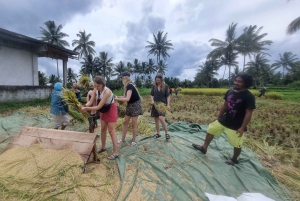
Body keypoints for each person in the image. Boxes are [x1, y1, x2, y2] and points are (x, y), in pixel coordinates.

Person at [192, 74, 256, 166]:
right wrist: (218, 117)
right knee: (211, 129)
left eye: (239, 81)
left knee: (237, 143)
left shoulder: (249, 96)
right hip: (224, 119)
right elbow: (225, 105)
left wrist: (242, 127)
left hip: (237, 124)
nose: (236, 83)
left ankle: (234, 159)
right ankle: (204, 148)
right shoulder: (230, 91)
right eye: (236, 81)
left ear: (246, 83)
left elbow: (249, 113)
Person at [81, 76, 119, 160]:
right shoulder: (96, 89)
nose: (96, 87)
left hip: (110, 109)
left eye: (98, 86)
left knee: (111, 131)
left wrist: (86, 109)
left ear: (102, 85)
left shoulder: (107, 92)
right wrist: (84, 106)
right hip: (103, 110)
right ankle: (103, 147)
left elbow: (98, 107)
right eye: (95, 85)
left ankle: (115, 152)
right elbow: (90, 101)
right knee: (103, 129)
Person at [115, 72, 143, 146]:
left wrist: (117, 99)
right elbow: (125, 97)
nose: (121, 79)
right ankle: (122, 139)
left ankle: (134, 140)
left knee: (134, 124)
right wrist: (117, 97)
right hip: (130, 105)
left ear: (125, 78)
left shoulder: (130, 86)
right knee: (125, 122)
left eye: (122, 78)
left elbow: (127, 98)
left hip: (135, 105)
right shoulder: (127, 86)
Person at [151, 73, 171, 140]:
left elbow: (168, 96)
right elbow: (152, 94)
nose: (157, 81)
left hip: (162, 105)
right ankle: (158, 133)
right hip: (155, 105)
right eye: (156, 80)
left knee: (161, 118)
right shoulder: (154, 86)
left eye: (159, 80)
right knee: (156, 119)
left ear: (161, 80)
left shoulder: (165, 86)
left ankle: (166, 133)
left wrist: (168, 105)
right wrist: (152, 100)